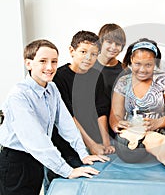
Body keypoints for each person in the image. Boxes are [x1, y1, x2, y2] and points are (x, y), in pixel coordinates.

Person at [0, 39, 109, 195]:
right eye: (43, 61)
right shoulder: (18, 96)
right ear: (29, 64)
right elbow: (36, 140)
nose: (50, 67)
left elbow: (66, 124)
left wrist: (83, 154)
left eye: (54, 62)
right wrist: (67, 171)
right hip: (16, 162)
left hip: (37, 160)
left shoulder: (51, 88)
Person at [45, 31, 111, 191]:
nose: (88, 58)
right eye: (83, 52)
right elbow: (68, 118)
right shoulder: (58, 77)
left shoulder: (96, 76)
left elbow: (101, 111)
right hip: (64, 147)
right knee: (63, 188)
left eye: (94, 54)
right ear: (71, 51)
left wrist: (105, 141)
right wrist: (92, 145)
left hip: (89, 146)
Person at [109, 38, 165, 162]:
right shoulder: (123, 82)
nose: (142, 70)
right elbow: (115, 114)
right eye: (137, 64)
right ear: (132, 60)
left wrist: (157, 123)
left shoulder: (164, 80)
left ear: (155, 63)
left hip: (160, 133)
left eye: (148, 65)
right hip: (132, 130)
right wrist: (117, 124)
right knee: (126, 148)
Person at [93, 23, 126, 144]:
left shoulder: (124, 71)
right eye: (109, 42)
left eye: (117, 44)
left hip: (115, 130)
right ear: (101, 42)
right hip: (93, 130)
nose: (113, 47)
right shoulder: (89, 66)